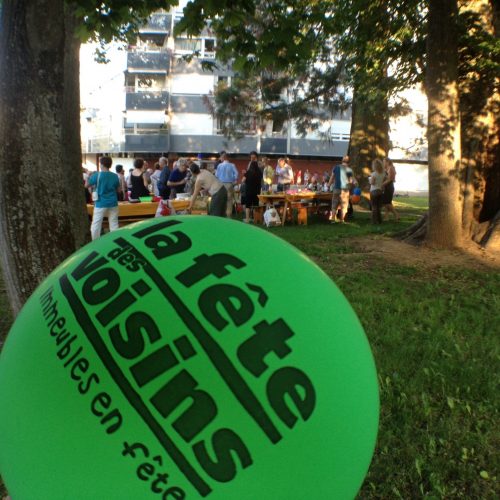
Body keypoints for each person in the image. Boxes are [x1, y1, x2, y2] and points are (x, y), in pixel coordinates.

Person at [86, 156, 119, 240]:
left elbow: (86, 185)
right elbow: (118, 190)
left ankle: (95, 242)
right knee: (114, 224)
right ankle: (115, 241)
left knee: (96, 224)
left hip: (100, 203)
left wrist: (88, 177)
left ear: (102, 164)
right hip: (113, 202)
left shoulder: (97, 175)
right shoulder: (115, 176)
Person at [328, 155, 355, 223]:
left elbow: (332, 177)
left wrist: (328, 185)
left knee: (334, 204)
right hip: (345, 190)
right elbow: (351, 181)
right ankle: (342, 220)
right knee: (344, 205)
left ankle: (333, 219)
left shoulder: (336, 167)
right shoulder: (349, 170)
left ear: (342, 160)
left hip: (336, 188)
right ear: (348, 162)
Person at [215, 152, 239, 217]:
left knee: (220, 200)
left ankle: (220, 215)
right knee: (229, 201)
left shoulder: (219, 165)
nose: (220, 158)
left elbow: (216, 175)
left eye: (221, 157)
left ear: (224, 157)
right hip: (229, 184)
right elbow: (236, 174)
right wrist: (233, 180)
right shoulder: (232, 165)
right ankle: (228, 216)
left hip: (220, 184)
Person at [369, 159, 385, 224]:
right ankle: (379, 220)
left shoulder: (374, 174)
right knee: (378, 207)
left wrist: (370, 180)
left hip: (374, 191)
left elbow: (372, 183)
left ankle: (374, 221)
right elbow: (383, 182)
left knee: (374, 207)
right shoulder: (383, 174)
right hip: (380, 191)